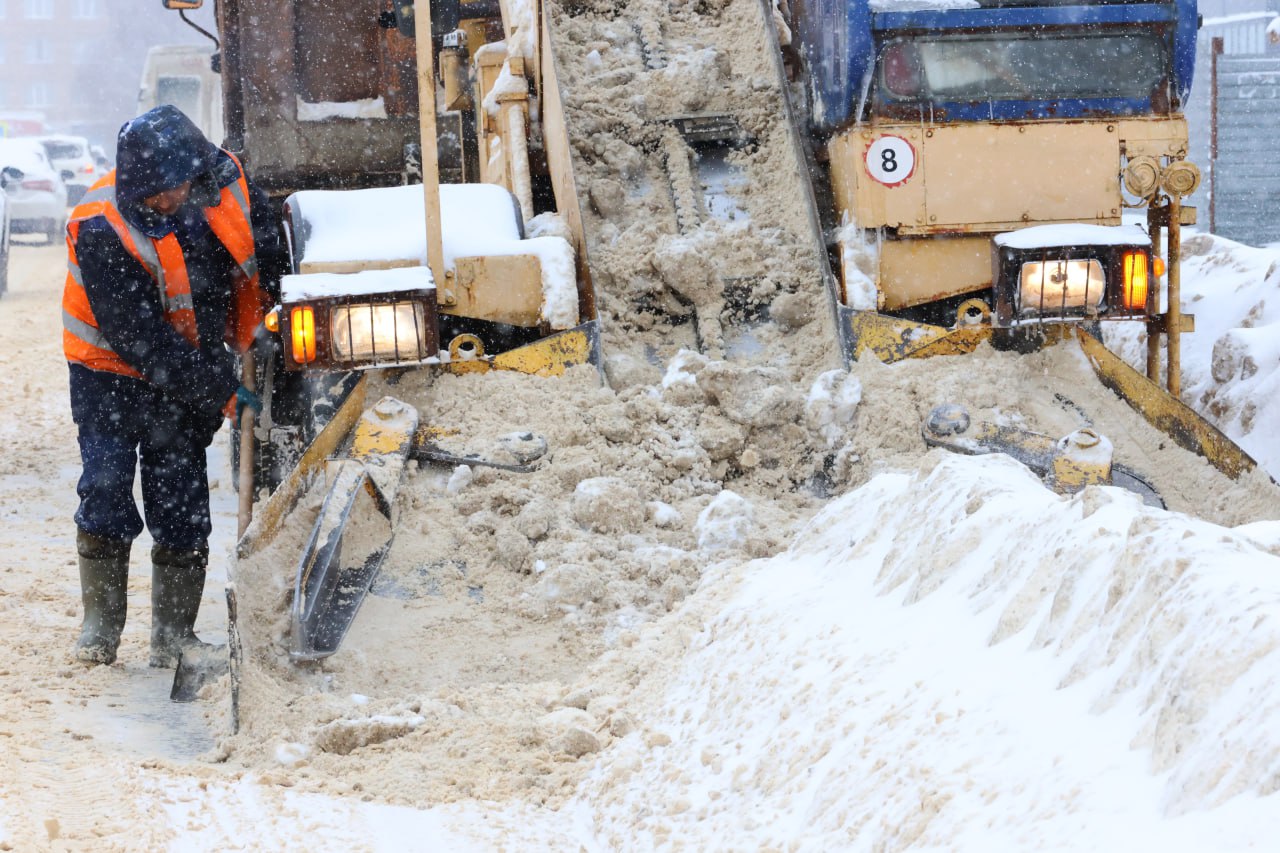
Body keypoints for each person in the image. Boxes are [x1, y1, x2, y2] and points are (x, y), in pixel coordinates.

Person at [62, 105, 285, 667]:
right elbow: (138, 337)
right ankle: (100, 629)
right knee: (107, 486)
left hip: (186, 377)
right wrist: (219, 391)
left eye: (174, 187)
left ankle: (172, 638)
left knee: (180, 497)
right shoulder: (100, 225)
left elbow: (264, 251)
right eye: (155, 192)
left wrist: (265, 323)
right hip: (109, 374)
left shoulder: (222, 188)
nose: (165, 200)